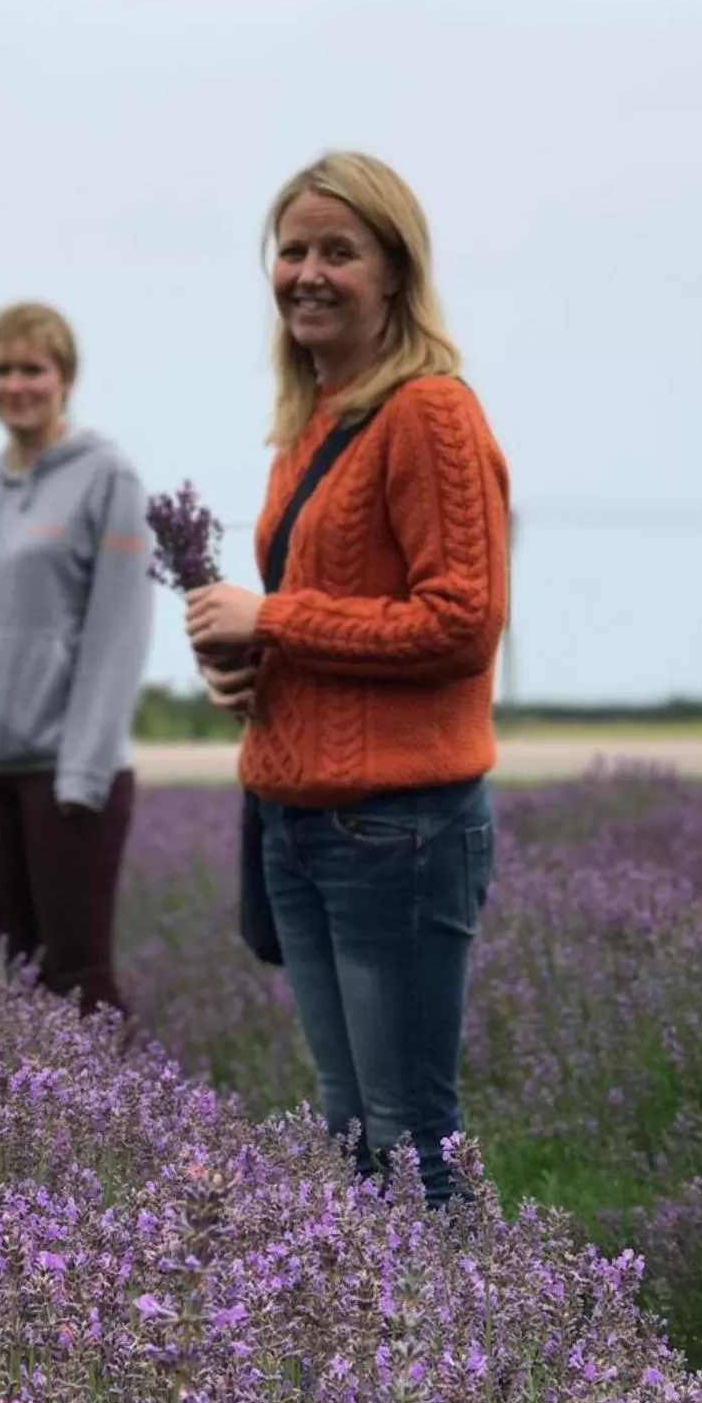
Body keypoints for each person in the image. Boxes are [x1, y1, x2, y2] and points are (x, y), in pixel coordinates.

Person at [186, 152, 509, 1203]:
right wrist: (249, 661)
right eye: (292, 250)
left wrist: (272, 614)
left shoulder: (429, 414)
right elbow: (346, 614)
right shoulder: (311, 422)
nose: (308, 272)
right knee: (348, 1126)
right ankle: (383, 1354)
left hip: (397, 829)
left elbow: (461, 620)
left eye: (339, 250)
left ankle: (470, 1352)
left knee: (412, 1128)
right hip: (297, 818)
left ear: (395, 271)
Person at [0, 303, 152, 1015]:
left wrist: (83, 769)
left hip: (64, 771)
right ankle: (36, 1129)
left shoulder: (110, 478)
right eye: (1, 369)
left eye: (32, 369)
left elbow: (120, 632)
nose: (16, 384)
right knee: (8, 978)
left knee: (79, 977)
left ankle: (127, 1126)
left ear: (66, 378)